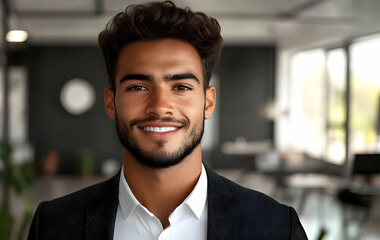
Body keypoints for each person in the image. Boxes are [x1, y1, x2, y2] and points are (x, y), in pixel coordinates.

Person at [27, 1, 308, 239]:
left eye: (181, 87)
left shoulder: (277, 227)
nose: (160, 106)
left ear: (208, 102)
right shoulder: (53, 225)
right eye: (138, 87)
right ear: (111, 102)